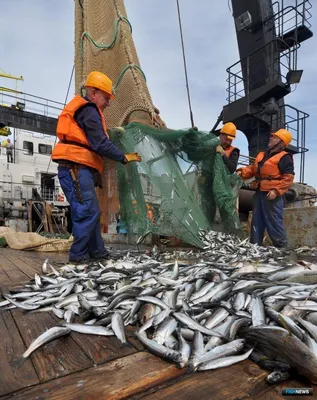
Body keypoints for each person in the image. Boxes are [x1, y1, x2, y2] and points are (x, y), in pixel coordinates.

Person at [52, 71, 142, 264]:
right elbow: (100, 143)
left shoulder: (89, 112)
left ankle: (98, 252)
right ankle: (77, 258)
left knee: (91, 211)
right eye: (106, 97)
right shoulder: (90, 111)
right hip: (74, 169)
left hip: (79, 169)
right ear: (93, 93)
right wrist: (123, 157)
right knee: (87, 211)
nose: (108, 102)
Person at [236, 129, 294, 248]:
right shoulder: (263, 154)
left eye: (275, 137)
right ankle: (255, 247)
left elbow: (288, 178)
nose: (271, 138)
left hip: (272, 194)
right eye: (272, 136)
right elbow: (253, 169)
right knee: (256, 221)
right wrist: (241, 172)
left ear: (281, 143)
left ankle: (282, 249)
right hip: (259, 193)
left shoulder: (285, 157)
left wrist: (276, 191)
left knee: (274, 221)